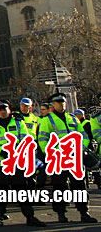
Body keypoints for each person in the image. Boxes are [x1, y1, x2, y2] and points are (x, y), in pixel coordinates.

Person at [0, 100, 45, 228]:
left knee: (22, 191)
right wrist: (2, 151)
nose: (2, 111)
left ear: (9, 109)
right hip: (0, 164)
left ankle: (30, 217)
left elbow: (25, 139)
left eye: (4, 109)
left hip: (17, 163)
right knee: (1, 192)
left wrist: (15, 150)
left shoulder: (18, 122)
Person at [37, 92, 97, 223]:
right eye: (58, 102)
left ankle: (84, 212)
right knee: (60, 186)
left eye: (63, 102)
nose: (61, 104)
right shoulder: (47, 120)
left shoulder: (72, 118)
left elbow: (83, 135)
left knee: (79, 186)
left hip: (74, 157)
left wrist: (80, 149)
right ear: (53, 105)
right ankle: (61, 213)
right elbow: (42, 139)